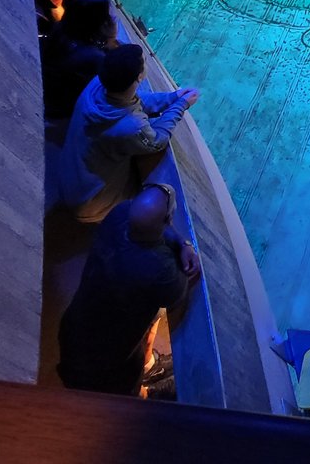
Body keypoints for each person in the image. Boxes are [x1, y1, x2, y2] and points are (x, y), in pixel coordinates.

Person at [57, 183, 201, 394]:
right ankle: (145, 393)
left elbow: (148, 223)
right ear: (168, 220)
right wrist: (185, 248)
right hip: (105, 361)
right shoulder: (159, 270)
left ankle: (148, 364)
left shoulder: (121, 211)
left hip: (74, 328)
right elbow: (178, 294)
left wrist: (182, 243)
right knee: (123, 390)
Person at [59, 44, 199, 223]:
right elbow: (157, 141)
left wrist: (172, 97)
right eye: (145, 62)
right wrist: (181, 105)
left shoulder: (99, 84)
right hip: (88, 202)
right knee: (157, 196)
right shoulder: (131, 127)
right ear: (140, 76)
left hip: (71, 177)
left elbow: (133, 101)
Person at [42, 0, 119, 122]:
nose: (114, 19)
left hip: (47, 94)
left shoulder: (61, 28)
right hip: (60, 112)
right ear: (102, 25)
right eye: (111, 18)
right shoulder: (94, 59)